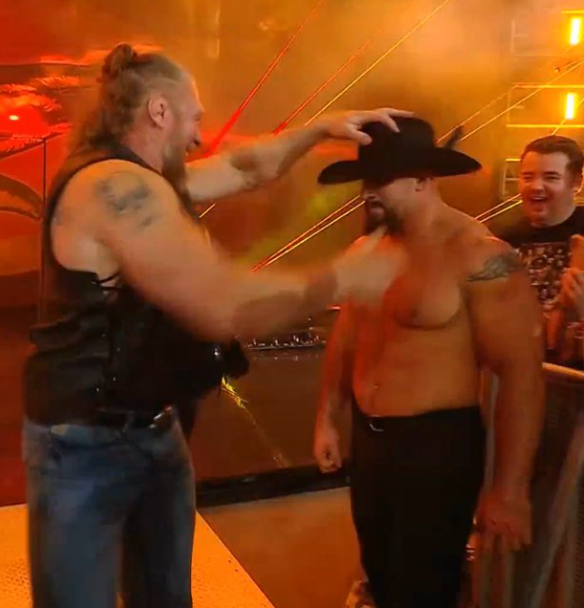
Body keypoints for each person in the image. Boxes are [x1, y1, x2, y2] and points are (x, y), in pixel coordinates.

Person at [22, 43, 407, 608]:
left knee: (166, 596)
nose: (199, 137)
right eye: (194, 118)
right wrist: (342, 277)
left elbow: (244, 168)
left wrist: (319, 129)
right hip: (83, 444)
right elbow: (221, 306)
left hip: (153, 428)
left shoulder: (148, 177)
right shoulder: (114, 188)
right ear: (159, 111)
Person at [313, 118, 544, 608]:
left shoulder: (478, 256)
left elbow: (522, 376)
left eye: (382, 179)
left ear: (423, 179)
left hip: (435, 448)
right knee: (381, 581)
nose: (368, 192)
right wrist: (327, 418)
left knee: (424, 592)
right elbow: (348, 336)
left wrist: (509, 490)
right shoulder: (367, 249)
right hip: (370, 443)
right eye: (366, 179)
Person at [496, 135, 584, 366]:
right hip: (519, 370)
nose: (536, 186)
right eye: (528, 177)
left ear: (576, 183)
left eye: (551, 177)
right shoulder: (502, 239)